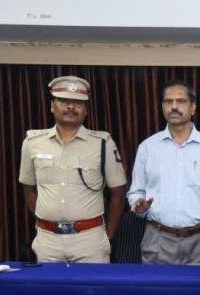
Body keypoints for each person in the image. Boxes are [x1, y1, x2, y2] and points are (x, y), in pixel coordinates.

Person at [127, 79, 200, 265]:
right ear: (162, 107)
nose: (174, 107)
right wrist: (138, 205)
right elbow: (135, 192)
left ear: (193, 107)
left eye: (180, 101)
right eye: (168, 102)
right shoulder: (147, 147)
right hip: (158, 240)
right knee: (157, 285)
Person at [19, 75, 126, 263]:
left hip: (90, 240)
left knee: (93, 284)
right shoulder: (33, 142)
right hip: (48, 240)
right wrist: (47, 219)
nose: (70, 107)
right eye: (63, 101)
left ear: (85, 110)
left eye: (78, 103)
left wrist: (108, 235)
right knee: (47, 283)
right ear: (52, 106)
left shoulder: (102, 143)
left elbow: (118, 192)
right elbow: (29, 189)